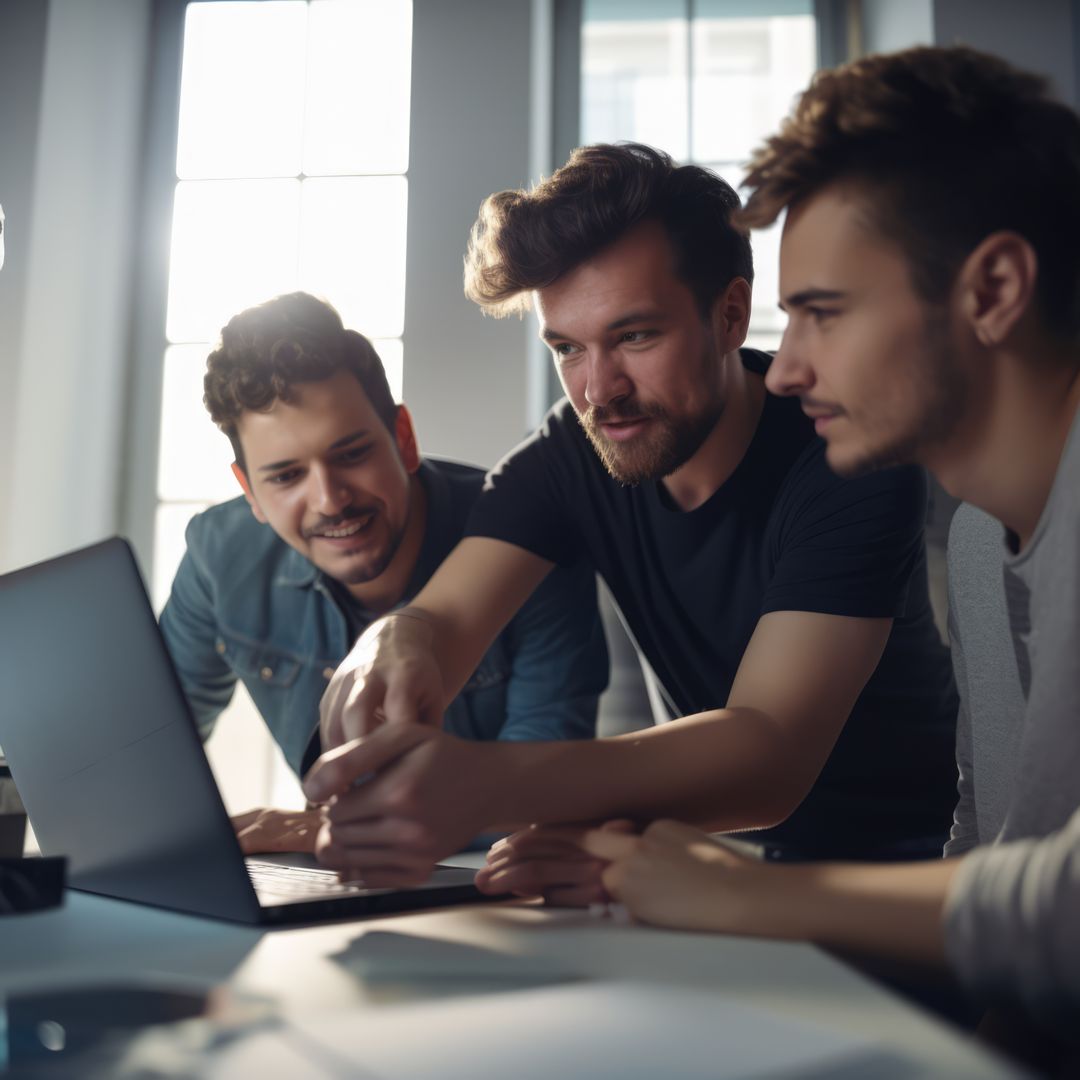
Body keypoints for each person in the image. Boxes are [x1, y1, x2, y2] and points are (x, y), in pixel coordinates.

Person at [575, 46, 1080, 1044]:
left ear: (994, 290)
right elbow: (988, 860)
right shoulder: (980, 538)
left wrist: (753, 901)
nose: (789, 369)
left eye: (822, 315)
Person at [303, 143, 958, 893]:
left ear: (730, 315)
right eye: (568, 349)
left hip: (912, 875)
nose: (598, 390)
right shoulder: (571, 451)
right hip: (701, 856)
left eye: (635, 336)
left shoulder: (845, 449)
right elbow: (444, 619)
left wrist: (487, 785)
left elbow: (771, 752)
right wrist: (397, 638)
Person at [159, 292, 607, 855]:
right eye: (286, 476)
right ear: (248, 489)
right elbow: (151, 751)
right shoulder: (217, 554)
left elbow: (543, 789)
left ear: (404, 438)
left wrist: (326, 831)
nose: (330, 500)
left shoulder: (524, 537)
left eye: (350, 455)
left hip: (483, 891)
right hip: (331, 883)